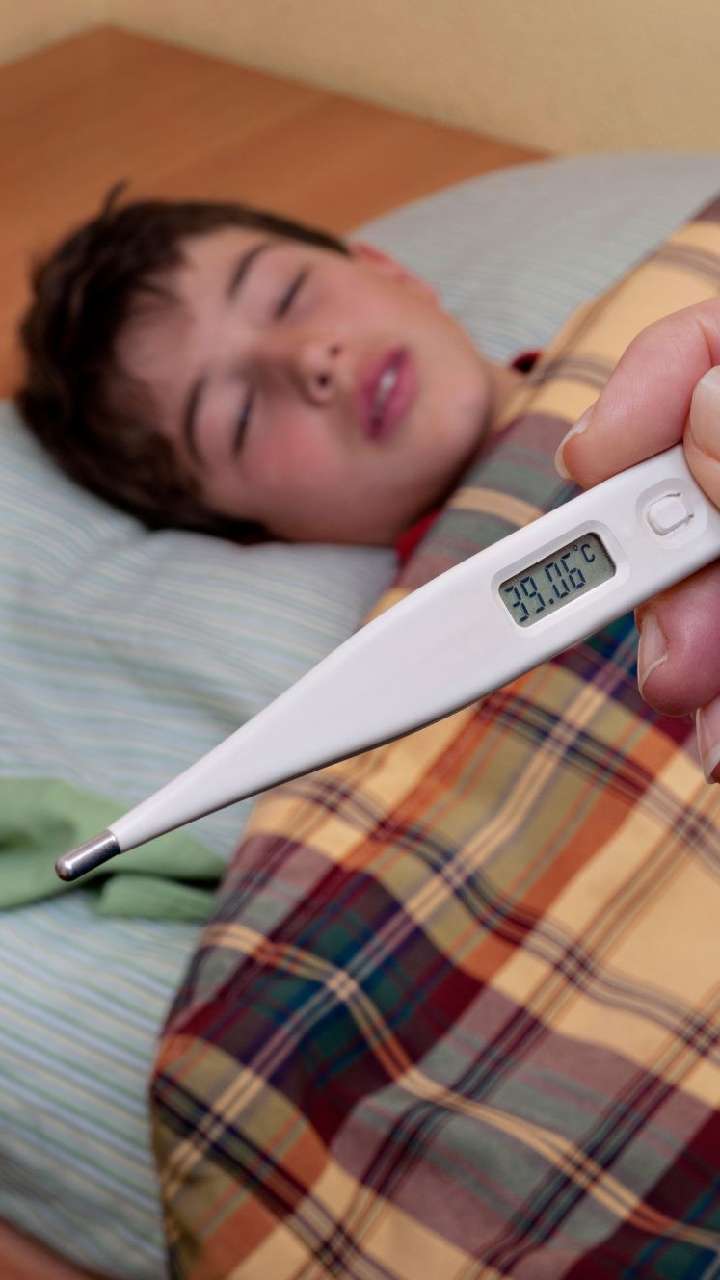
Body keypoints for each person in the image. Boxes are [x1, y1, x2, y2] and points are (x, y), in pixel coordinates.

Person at [15, 191, 720, 778]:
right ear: (256, 533)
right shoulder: (403, 690)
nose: (309, 359)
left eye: (289, 296)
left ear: (389, 269)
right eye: (241, 417)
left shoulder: (684, 314)